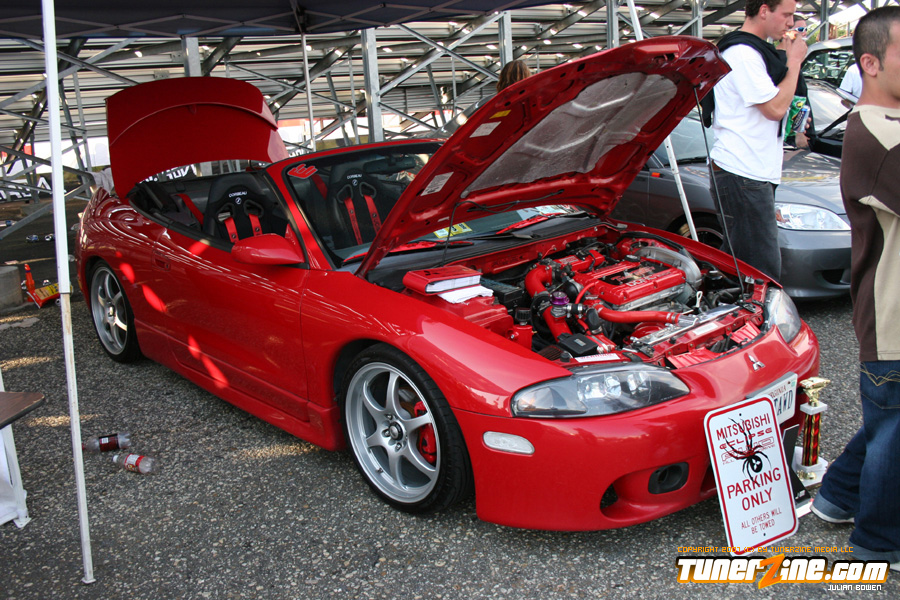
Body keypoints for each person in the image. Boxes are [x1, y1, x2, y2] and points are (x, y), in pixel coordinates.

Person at [810, 6, 900, 572]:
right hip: (894, 314)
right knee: (895, 427)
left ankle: (839, 495)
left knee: (888, 418)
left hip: (887, 308)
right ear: (870, 63)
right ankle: (879, 541)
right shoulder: (881, 135)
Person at [707, 0, 807, 281]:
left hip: (749, 172)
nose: (791, 23)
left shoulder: (756, 52)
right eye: (786, 15)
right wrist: (794, 61)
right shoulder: (742, 53)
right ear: (764, 11)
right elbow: (774, 108)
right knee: (761, 273)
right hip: (743, 171)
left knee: (739, 268)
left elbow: (774, 110)